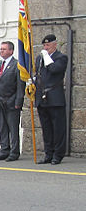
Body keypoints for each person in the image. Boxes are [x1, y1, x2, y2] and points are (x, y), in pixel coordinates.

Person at [34, 34, 69, 165]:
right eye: (44, 45)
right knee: (46, 128)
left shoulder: (61, 58)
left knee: (58, 128)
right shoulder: (40, 59)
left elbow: (55, 70)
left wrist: (46, 57)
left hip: (55, 97)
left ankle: (58, 155)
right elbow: (38, 74)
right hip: (42, 98)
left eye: (48, 45)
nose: (45, 47)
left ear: (55, 44)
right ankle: (48, 154)